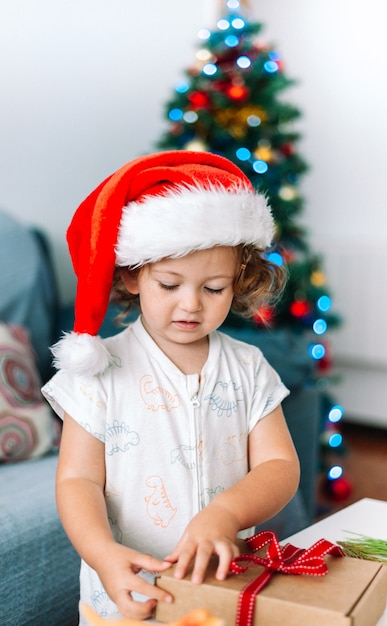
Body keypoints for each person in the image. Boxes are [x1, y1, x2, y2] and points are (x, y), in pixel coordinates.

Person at [42, 151, 300, 623]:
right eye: (169, 284)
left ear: (238, 282)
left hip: (222, 586)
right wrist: (102, 554)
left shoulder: (249, 367)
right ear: (133, 275)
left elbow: (280, 465)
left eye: (214, 288)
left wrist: (225, 514)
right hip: (126, 596)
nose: (191, 305)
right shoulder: (100, 373)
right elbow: (78, 480)